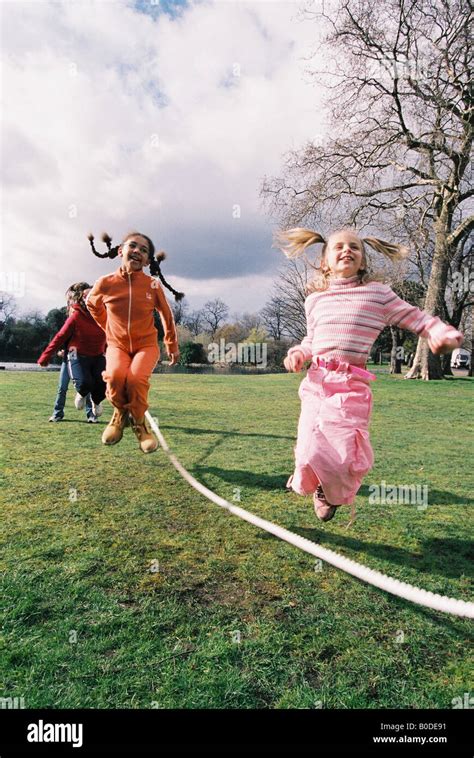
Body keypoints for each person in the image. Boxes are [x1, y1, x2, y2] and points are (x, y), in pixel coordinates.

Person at [276, 227, 463, 524]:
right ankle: (317, 484)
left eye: (354, 247)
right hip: (316, 383)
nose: (346, 250)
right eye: (338, 247)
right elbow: (312, 339)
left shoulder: (378, 295)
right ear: (325, 261)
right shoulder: (315, 300)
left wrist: (441, 331)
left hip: (351, 388)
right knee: (308, 450)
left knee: (340, 456)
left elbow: (417, 318)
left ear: (362, 261)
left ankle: (330, 492)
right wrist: (299, 353)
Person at [86, 231, 181, 453]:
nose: (137, 251)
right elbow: (92, 304)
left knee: (136, 379)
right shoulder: (106, 282)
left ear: (147, 261)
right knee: (116, 377)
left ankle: (139, 425)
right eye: (133, 246)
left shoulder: (153, 285)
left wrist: (171, 345)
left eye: (144, 250)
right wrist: (107, 327)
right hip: (117, 346)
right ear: (121, 251)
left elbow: (167, 316)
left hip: (145, 346)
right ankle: (119, 416)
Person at [38, 282, 107, 418]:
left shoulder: (104, 315)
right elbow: (60, 336)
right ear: (83, 300)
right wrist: (46, 356)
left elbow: (113, 334)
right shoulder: (76, 315)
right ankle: (80, 394)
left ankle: (96, 401)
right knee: (81, 383)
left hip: (97, 354)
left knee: (102, 384)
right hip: (76, 353)